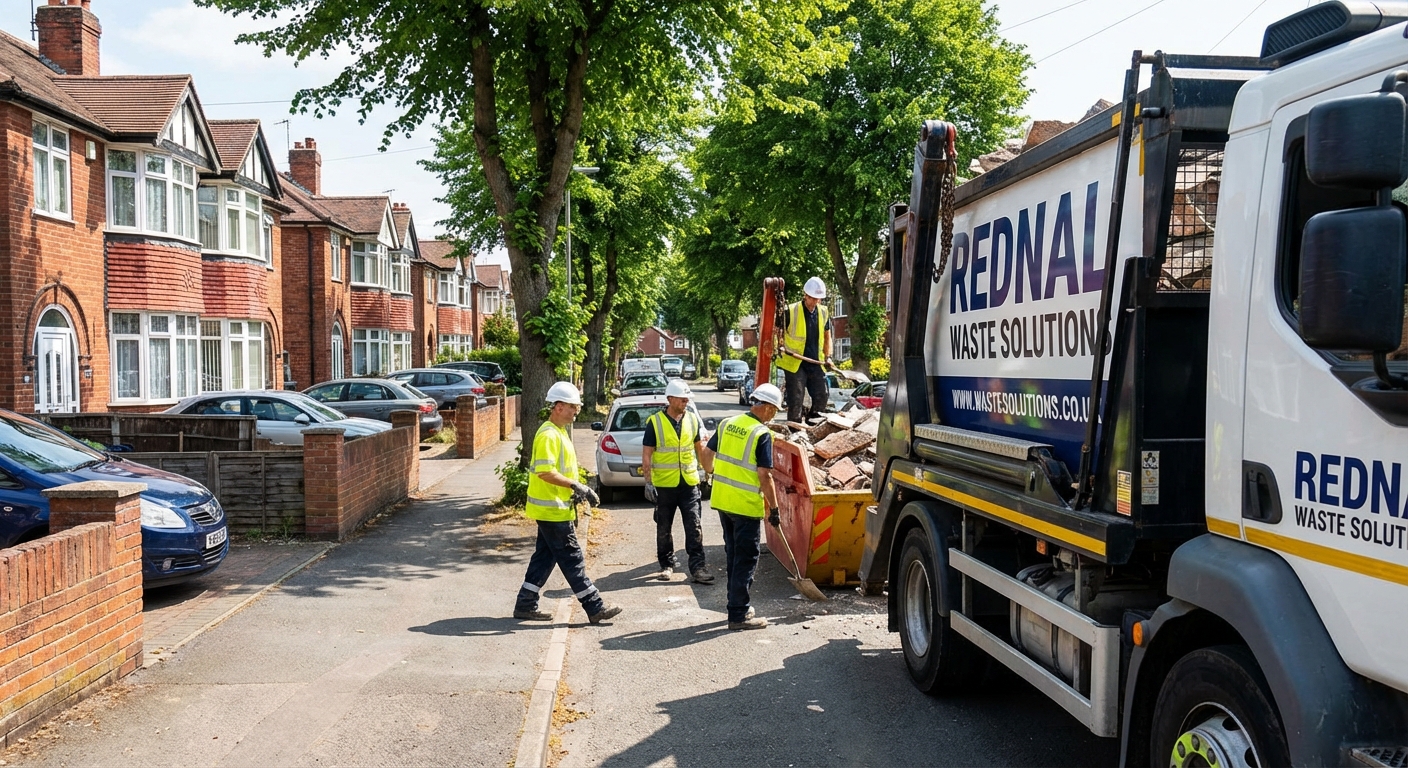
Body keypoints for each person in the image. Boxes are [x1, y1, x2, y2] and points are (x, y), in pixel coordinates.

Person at [513, 382, 623, 625]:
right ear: (559, 407)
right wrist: (576, 486)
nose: (577, 412)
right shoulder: (550, 434)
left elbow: (557, 472)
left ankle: (525, 604)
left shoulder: (558, 432)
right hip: (552, 511)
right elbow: (545, 472)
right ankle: (595, 607)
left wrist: (574, 489)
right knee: (572, 560)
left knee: (544, 558)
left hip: (554, 508)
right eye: (573, 407)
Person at [701, 382, 784, 630]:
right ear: (768, 408)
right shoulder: (761, 434)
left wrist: (714, 474)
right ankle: (738, 614)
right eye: (775, 410)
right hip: (745, 506)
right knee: (746, 559)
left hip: (723, 502)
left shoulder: (728, 423)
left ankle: (736, 603)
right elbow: (764, 475)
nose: (774, 415)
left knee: (733, 555)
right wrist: (775, 508)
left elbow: (706, 455)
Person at [642, 379, 715, 584]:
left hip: (689, 483)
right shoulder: (655, 422)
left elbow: (700, 448)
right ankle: (667, 564)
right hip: (664, 485)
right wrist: (648, 482)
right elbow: (647, 455)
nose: (685, 401)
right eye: (682, 398)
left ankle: (698, 567)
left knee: (694, 526)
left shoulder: (692, 419)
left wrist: (708, 472)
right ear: (670, 399)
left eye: (687, 399)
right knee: (664, 527)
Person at [777, 276, 833, 424]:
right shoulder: (790, 311)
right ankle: (794, 429)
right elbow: (777, 332)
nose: (816, 302)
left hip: (815, 362)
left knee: (822, 394)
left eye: (818, 299)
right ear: (806, 295)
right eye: (813, 298)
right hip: (796, 363)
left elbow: (828, 337)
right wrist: (780, 344)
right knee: (796, 398)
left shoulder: (823, 312)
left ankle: (813, 423)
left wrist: (828, 356)